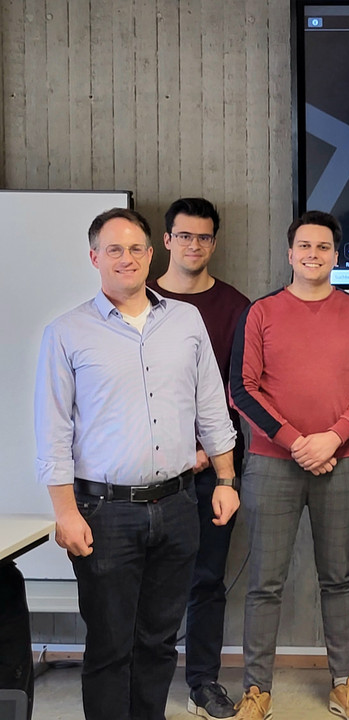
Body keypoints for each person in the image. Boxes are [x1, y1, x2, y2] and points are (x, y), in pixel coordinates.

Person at [34, 208, 240, 720]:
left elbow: (212, 405)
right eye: (114, 250)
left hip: (176, 505)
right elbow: (53, 431)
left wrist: (226, 478)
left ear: (152, 254)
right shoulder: (66, 333)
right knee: (108, 646)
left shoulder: (186, 321)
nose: (126, 259)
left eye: (135, 249)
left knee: (159, 643)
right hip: (103, 512)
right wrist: (65, 514)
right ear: (94, 257)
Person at [229, 211, 349, 720]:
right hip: (273, 463)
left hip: (342, 461)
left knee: (338, 576)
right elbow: (242, 390)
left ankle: (345, 683)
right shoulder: (262, 312)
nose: (313, 255)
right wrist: (297, 441)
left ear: (337, 256)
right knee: (265, 582)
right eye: (304, 246)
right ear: (290, 253)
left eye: (324, 247)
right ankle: (257, 690)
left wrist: (334, 438)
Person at [148, 197, 252, 719]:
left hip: (215, 468)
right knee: (147, 579)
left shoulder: (237, 306)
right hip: (145, 474)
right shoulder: (138, 302)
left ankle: (203, 682)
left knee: (207, 578)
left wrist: (210, 456)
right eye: (185, 236)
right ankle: (141, 680)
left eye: (204, 237)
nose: (194, 245)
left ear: (214, 242)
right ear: (166, 240)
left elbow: (239, 390)